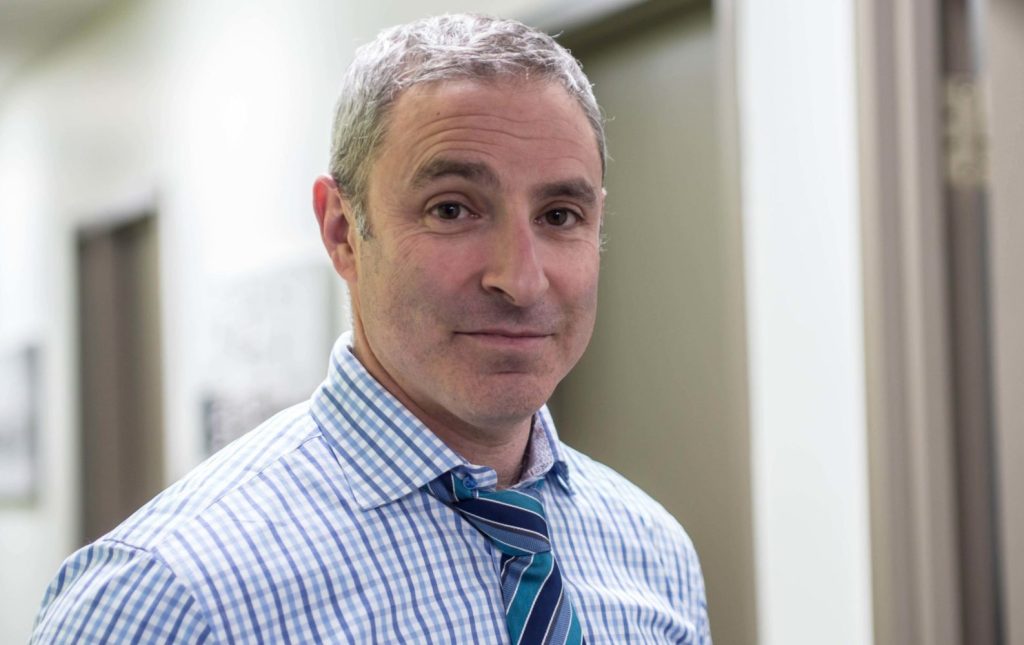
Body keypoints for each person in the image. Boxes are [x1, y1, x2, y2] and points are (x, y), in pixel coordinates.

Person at [32, 13, 710, 644]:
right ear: (342, 232)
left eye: (560, 215)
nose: (522, 279)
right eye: (452, 209)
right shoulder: (169, 595)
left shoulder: (653, 553)